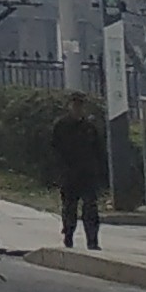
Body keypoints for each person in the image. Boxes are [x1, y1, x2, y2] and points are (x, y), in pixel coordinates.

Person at [47, 91, 108, 250]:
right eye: (74, 104)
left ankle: (93, 241)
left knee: (90, 208)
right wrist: (59, 172)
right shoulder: (61, 126)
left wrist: (100, 173)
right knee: (69, 208)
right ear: (69, 106)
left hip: (88, 174)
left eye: (80, 105)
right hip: (69, 174)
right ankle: (68, 236)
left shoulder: (90, 127)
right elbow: (54, 150)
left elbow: (99, 151)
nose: (77, 108)